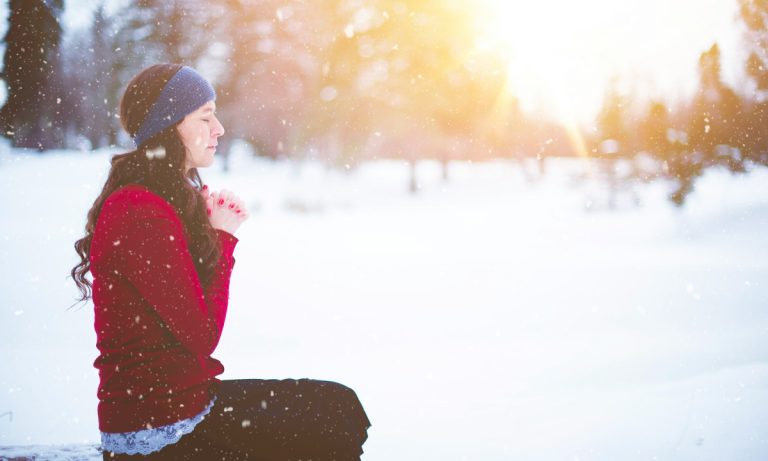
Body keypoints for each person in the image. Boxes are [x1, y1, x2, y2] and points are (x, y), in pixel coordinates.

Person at [70, 64, 371, 460]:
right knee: (331, 422)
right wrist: (223, 238)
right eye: (206, 116)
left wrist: (210, 234)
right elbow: (201, 334)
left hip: (183, 408)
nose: (220, 129)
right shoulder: (138, 210)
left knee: (340, 408)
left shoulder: (157, 201)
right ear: (169, 125)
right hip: (159, 432)